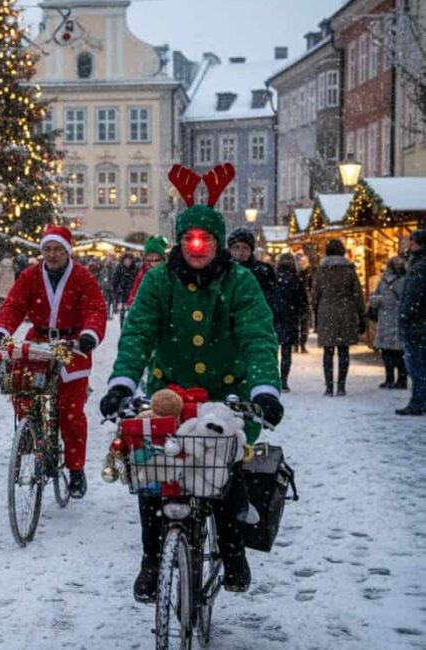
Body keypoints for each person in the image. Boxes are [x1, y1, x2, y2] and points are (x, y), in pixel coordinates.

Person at [100, 172, 282, 600]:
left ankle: (234, 550)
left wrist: (264, 390)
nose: (197, 247)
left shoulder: (240, 282)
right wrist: (123, 382)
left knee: (222, 473)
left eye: (206, 239)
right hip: (169, 398)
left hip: (226, 397)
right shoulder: (159, 281)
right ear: (179, 241)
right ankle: (151, 559)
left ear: (218, 243)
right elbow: (138, 333)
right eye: (189, 239)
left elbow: (258, 335)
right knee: (154, 475)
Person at [0, 225, 108, 499]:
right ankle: (33, 441)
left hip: (70, 345)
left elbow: (95, 309)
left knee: (71, 412)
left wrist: (89, 335)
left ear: (68, 251)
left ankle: (76, 469)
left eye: (57, 250)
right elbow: (14, 305)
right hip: (39, 341)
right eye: (47, 249)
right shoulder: (31, 275)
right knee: (26, 396)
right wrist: (0, 331)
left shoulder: (82, 276)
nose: (51, 255)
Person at [311, 239, 365, 397]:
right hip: (346, 311)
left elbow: (315, 295)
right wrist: (361, 316)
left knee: (328, 351)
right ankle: (341, 386)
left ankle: (329, 387)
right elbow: (357, 295)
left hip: (326, 312)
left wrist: (316, 313)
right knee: (344, 350)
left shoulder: (321, 270)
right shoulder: (349, 269)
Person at [397, 230, 426, 416]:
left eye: (410, 241)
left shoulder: (418, 266)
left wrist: (405, 316)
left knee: (417, 365)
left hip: (417, 324)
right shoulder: (417, 264)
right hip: (420, 322)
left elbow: (412, 296)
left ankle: (418, 401)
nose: (407, 245)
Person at [369, 256, 407, 390]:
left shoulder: (383, 281)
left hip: (385, 317)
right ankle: (402, 379)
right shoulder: (406, 280)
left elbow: (376, 298)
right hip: (400, 318)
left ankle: (389, 378)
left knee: (386, 351)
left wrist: (377, 302)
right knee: (400, 351)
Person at [272, 253, 308, 392]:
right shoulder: (296, 280)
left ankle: (273, 378)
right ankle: (284, 381)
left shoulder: (273, 279)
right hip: (290, 319)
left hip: (274, 318)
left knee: (273, 350)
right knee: (287, 352)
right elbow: (303, 301)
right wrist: (299, 313)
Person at [228, 227, 276, 308]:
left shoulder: (263, 271)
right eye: (236, 247)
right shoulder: (223, 270)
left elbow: (271, 300)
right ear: (230, 249)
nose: (240, 252)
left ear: (251, 250)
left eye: (245, 248)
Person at [124, 236, 168, 309]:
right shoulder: (142, 272)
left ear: (162, 259)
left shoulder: (167, 274)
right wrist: (131, 303)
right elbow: (135, 290)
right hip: (144, 310)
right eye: (148, 259)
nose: (152, 263)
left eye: (156, 259)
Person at [295, 252, 313, 353]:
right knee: (301, 324)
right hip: (301, 301)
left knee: (302, 324)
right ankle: (299, 344)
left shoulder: (307, 273)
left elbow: (311, 286)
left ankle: (300, 344)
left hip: (301, 301)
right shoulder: (301, 273)